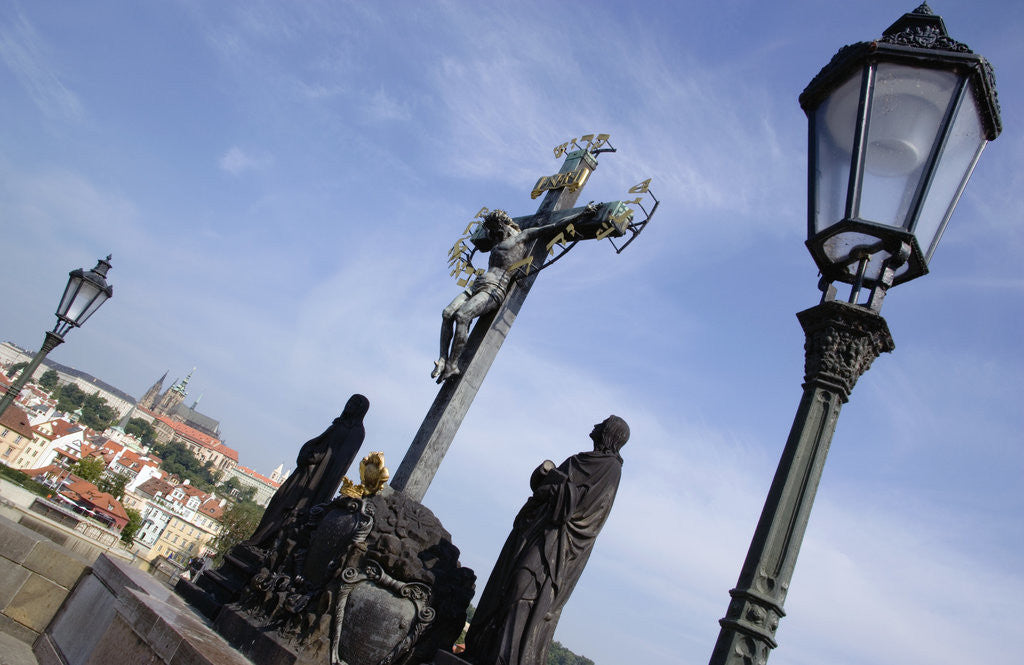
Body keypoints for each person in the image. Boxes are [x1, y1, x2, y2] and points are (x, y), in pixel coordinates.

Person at [464, 415, 629, 665]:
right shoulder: (584, 459)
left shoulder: (611, 469)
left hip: (557, 545)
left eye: (601, 425)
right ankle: (485, 652)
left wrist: (558, 487)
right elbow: (543, 488)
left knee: (523, 589)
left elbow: (586, 513)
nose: (594, 427)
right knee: (507, 586)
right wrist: (545, 476)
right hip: (536, 531)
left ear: (610, 434)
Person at [432, 205, 598, 383]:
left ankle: (453, 364)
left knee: (462, 316)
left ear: (504, 224)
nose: (494, 234)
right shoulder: (496, 239)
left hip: (494, 288)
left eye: (497, 229)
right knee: (447, 313)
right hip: (477, 284)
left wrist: (582, 214)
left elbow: (553, 226)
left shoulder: (523, 236)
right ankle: (442, 358)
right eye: (492, 230)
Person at [246, 394, 370, 549]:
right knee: (280, 500)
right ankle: (259, 540)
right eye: (349, 402)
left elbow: (339, 461)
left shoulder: (357, 432)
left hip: (317, 479)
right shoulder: (340, 423)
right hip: (305, 471)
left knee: (292, 509)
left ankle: (270, 545)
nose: (349, 406)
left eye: (354, 404)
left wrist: (316, 456)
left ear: (360, 410)